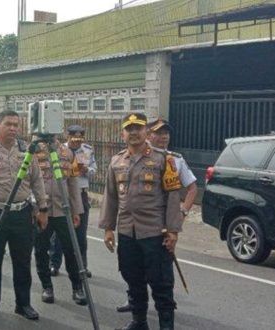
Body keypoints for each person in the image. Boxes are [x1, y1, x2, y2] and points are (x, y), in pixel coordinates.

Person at [99, 112, 183, 330]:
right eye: (129, 129)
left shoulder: (163, 159)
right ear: (123, 134)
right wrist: (108, 228)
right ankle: (139, 322)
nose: (134, 132)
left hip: (155, 233)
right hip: (127, 233)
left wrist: (173, 231)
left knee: (161, 283)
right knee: (132, 279)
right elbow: (110, 196)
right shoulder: (117, 161)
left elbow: (173, 196)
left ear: (146, 131)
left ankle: (166, 326)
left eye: (138, 128)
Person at [116, 118, 198, 314]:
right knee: (133, 271)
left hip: (158, 227)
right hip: (131, 228)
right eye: (159, 133)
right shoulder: (123, 158)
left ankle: (164, 309)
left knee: (160, 276)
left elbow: (189, 189)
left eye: (166, 133)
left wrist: (180, 216)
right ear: (149, 135)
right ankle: (137, 307)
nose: (164, 137)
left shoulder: (172, 159)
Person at [0, 110, 48, 321]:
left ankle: (23, 304)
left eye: (16, 125)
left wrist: (43, 209)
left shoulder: (27, 151)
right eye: (8, 124)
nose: (13, 128)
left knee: (23, 261)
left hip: (22, 213)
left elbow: (37, 180)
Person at [33, 134, 86, 306]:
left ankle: (77, 287)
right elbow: (27, 181)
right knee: (41, 251)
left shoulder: (67, 152)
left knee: (71, 250)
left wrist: (76, 210)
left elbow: (72, 182)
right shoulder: (32, 150)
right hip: (42, 211)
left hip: (63, 210)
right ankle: (47, 287)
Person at [49, 125, 97, 276]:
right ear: (67, 136)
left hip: (80, 194)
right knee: (58, 233)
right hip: (62, 195)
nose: (76, 142)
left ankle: (82, 266)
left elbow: (94, 170)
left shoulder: (87, 150)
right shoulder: (59, 150)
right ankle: (54, 264)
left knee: (80, 234)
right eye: (73, 139)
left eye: (79, 139)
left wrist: (86, 170)